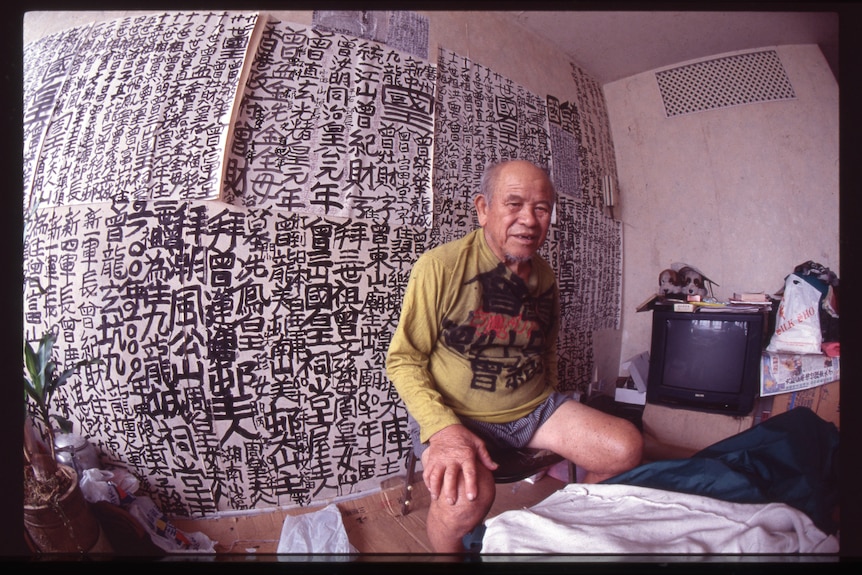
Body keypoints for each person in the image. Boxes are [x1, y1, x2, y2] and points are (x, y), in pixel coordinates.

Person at [386, 159, 643, 553]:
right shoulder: (439, 267)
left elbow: (548, 347)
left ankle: (555, 534)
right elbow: (404, 359)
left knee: (625, 447)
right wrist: (444, 431)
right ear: (483, 209)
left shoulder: (545, 276)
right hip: (456, 415)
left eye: (541, 209)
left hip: (532, 409)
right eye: (514, 204)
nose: (529, 220)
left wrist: (553, 400)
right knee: (465, 503)